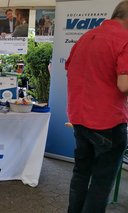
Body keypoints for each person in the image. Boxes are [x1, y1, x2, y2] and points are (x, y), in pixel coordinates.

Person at [65, 1, 128, 212]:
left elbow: (70, 68)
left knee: (81, 174)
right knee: (101, 183)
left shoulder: (86, 37)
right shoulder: (125, 40)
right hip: (107, 122)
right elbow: (124, 84)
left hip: (79, 118)